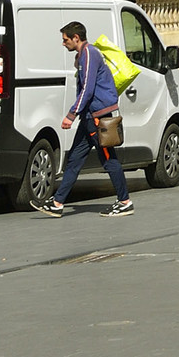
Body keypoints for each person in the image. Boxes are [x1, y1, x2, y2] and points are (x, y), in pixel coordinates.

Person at [41, 22, 133, 217]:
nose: (63, 43)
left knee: (108, 159)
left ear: (76, 38)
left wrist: (71, 114)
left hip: (98, 117)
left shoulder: (90, 54)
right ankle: (57, 203)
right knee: (74, 159)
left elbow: (88, 89)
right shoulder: (83, 55)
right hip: (89, 117)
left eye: (65, 39)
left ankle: (124, 201)